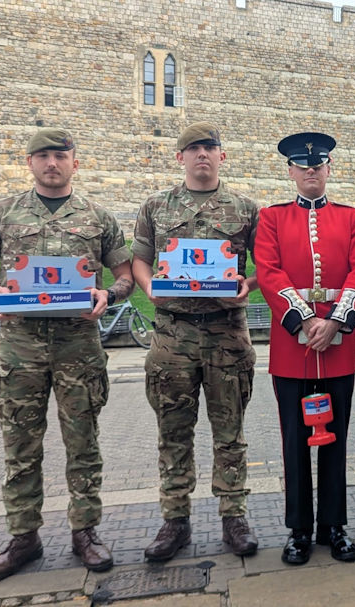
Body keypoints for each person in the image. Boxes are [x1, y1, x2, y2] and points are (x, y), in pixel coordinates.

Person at [0, 128, 133, 582]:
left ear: (76, 162)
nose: (51, 163)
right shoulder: (2, 213)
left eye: (60, 155)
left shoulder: (98, 218)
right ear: (29, 163)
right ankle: (23, 538)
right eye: (43, 156)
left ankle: (86, 533)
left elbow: (125, 277)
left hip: (78, 345)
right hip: (20, 348)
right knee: (20, 447)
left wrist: (107, 295)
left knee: (83, 444)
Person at [131, 122, 259, 561]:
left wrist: (250, 284)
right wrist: (149, 288)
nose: (201, 154)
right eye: (193, 149)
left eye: (209, 148)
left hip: (227, 333)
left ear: (222, 156)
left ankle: (233, 516)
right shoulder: (156, 207)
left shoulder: (244, 209)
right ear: (179, 157)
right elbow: (140, 261)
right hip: (173, 334)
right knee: (173, 432)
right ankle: (175, 520)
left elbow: (269, 263)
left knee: (230, 433)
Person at [255, 132, 355, 565]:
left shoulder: (351, 217)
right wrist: (305, 319)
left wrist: (336, 320)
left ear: (328, 169)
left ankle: (334, 526)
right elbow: (268, 272)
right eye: (302, 166)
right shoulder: (272, 218)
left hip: (337, 345)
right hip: (292, 346)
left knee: (336, 439)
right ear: (290, 171)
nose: (310, 171)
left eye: (318, 165)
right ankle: (299, 528)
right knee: (295, 442)